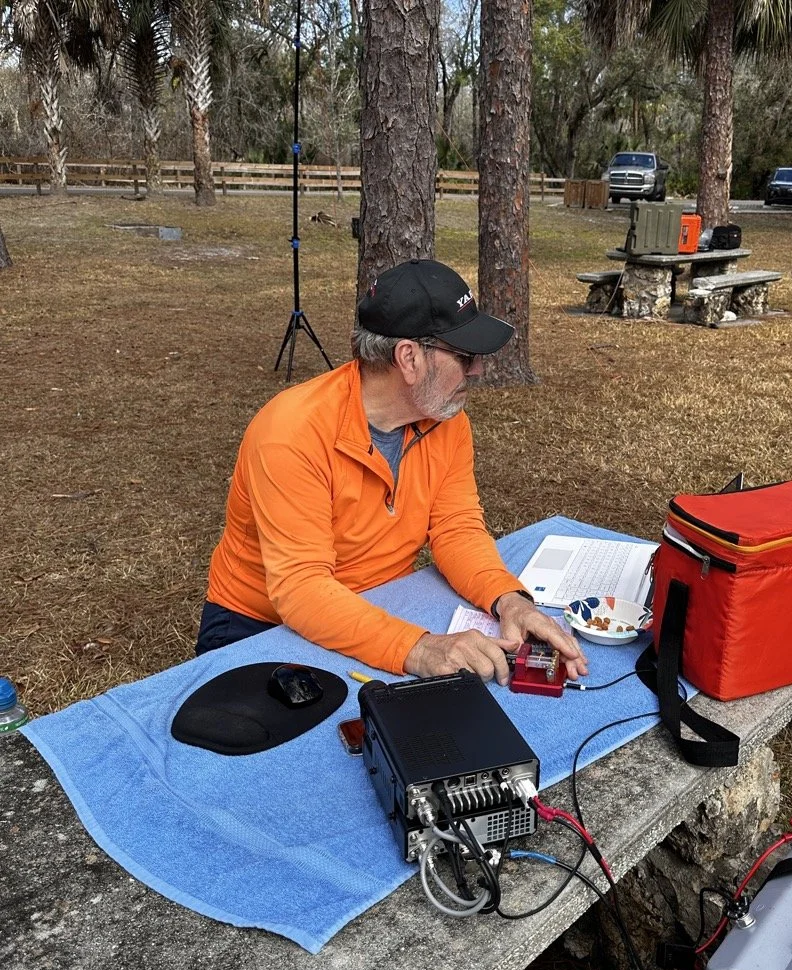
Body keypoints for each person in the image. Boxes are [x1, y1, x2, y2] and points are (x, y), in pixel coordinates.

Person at [196, 258, 587, 687]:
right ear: (409, 358)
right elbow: (301, 588)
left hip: (382, 605)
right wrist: (417, 648)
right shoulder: (291, 432)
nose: (478, 370)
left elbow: (456, 528)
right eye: (465, 355)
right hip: (258, 623)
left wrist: (511, 603)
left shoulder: (447, 419)